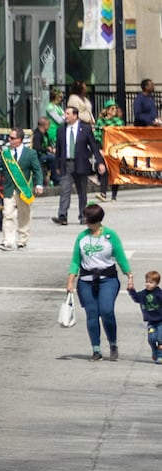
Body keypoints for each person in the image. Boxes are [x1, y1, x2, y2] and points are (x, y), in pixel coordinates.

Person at [67, 203, 133, 362]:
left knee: (106, 311)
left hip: (108, 280)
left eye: (87, 218)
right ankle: (96, 349)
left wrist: (129, 275)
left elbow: (120, 256)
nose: (84, 221)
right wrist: (70, 281)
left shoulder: (110, 235)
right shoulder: (82, 237)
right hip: (86, 281)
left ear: (96, 220)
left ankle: (113, 343)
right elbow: (75, 260)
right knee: (92, 314)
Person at [52, 105, 105, 226]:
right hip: (66, 163)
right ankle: (62, 215)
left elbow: (93, 146)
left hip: (80, 163)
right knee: (65, 190)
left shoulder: (85, 129)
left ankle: (83, 216)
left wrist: (100, 162)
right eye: (65, 114)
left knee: (82, 192)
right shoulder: (61, 129)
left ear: (75, 116)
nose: (65, 116)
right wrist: (57, 166)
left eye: (68, 114)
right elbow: (59, 149)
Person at [0, 128, 43, 251]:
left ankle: (22, 240)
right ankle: (8, 241)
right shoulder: (5, 154)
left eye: (12, 138)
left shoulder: (30, 153)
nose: (9, 140)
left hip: (23, 189)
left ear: (19, 139)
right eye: (9, 137)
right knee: (7, 214)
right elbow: (0, 169)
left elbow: (37, 170)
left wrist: (39, 184)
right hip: (9, 189)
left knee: (24, 214)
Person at [130, 270, 162, 365]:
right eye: (147, 281)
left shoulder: (159, 294)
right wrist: (131, 290)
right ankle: (154, 350)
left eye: (151, 282)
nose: (148, 284)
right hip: (151, 322)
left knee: (161, 339)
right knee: (151, 338)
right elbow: (136, 298)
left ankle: (160, 356)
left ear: (156, 283)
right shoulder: (144, 294)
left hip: (161, 321)